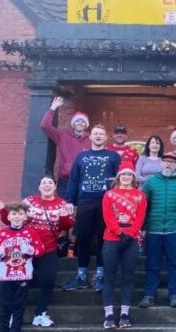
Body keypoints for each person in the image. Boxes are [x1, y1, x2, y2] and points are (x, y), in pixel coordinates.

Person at [0, 176, 74, 327]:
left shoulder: (62, 203)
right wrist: (2, 210)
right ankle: (6, 313)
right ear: (39, 187)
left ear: (55, 186)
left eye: (50, 183)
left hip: (48, 248)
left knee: (48, 280)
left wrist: (64, 215)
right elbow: (13, 220)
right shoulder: (29, 201)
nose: (47, 185)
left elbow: (67, 226)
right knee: (14, 281)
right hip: (24, 249)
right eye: (43, 183)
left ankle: (40, 314)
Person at [63, 124, 121, 292]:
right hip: (85, 202)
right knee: (84, 239)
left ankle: (100, 276)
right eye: (95, 133)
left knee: (104, 239)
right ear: (90, 137)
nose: (98, 136)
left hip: (106, 203)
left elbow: (120, 180)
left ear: (105, 138)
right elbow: (74, 179)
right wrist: (69, 200)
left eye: (101, 134)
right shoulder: (81, 156)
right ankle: (81, 276)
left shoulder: (113, 156)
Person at [101, 162, 147, 328]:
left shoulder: (140, 196)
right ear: (119, 177)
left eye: (130, 175)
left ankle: (125, 314)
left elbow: (140, 218)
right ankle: (109, 315)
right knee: (110, 276)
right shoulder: (109, 195)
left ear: (133, 178)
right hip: (112, 238)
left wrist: (130, 234)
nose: (127, 177)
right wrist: (120, 233)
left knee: (128, 276)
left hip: (131, 238)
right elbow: (108, 217)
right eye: (124, 174)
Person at [138, 152, 176, 308]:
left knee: (175, 263)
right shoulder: (150, 183)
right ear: (160, 163)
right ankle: (149, 295)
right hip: (153, 230)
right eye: (165, 161)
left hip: (173, 229)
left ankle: (174, 295)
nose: (168, 164)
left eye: (171, 162)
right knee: (152, 264)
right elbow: (143, 208)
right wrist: (143, 228)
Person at [0, 202, 45, 332]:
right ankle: (4, 329)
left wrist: (30, 250)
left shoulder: (31, 232)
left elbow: (41, 250)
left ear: (25, 217)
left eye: (20, 214)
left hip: (23, 274)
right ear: (9, 217)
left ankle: (16, 329)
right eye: (14, 214)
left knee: (19, 305)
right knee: (5, 305)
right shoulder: (1, 233)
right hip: (5, 276)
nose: (17, 217)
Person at [40, 97, 91, 198]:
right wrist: (52, 108)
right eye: (77, 121)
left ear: (86, 125)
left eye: (82, 121)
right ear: (73, 124)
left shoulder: (92, 138)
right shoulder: (63, 136)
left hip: (85, 180)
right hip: (65, 180)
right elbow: (45, 125)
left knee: (82, 210)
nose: (80, 123)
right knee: (64, 208)